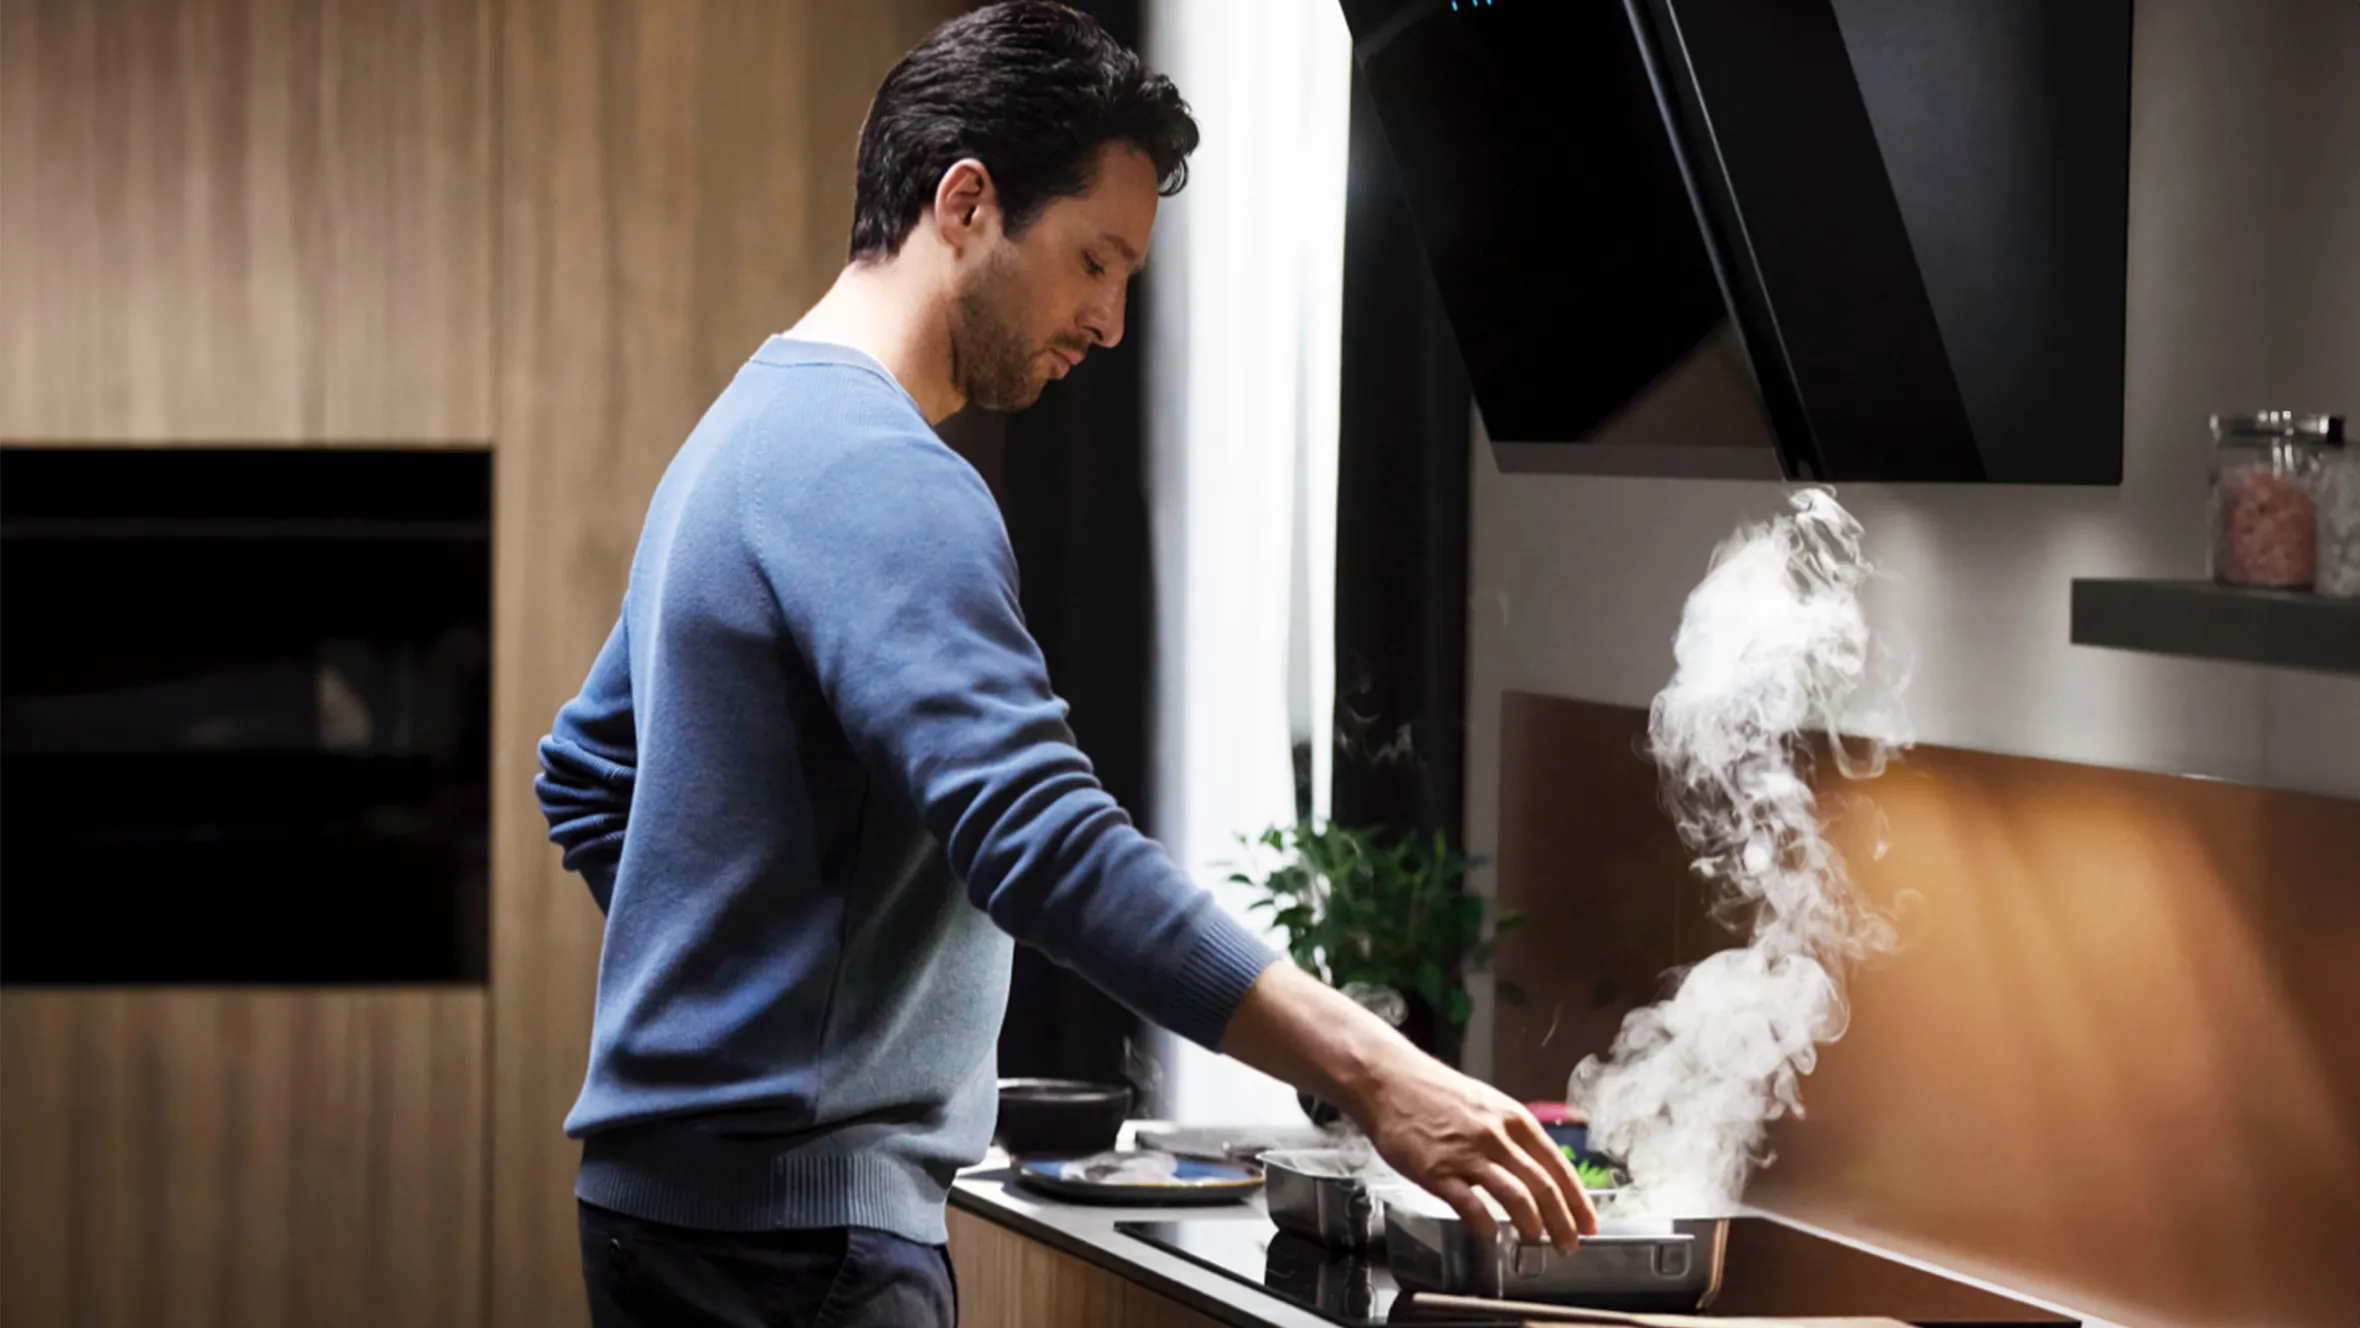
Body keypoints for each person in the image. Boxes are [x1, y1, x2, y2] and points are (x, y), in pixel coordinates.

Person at [536, 4, 1595, 1324]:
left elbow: (586, 773)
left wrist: (751, 996)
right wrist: (1383, 1074)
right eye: (1096, 261)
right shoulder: (878, 474)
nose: (1109, 322)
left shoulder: (749, 430)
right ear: (967, 203)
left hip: (675, 1219)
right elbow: (1044, 841)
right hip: (797, 1245)